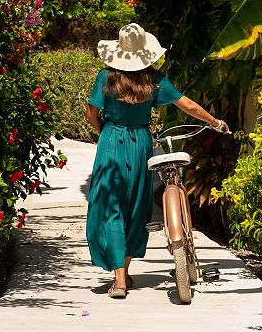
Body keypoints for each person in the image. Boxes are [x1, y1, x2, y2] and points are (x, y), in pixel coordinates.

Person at [85, 23, 229, 299]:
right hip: (141, 144)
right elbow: (186, 104)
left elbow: (92, 114)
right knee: (136, 207)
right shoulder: (154, 79)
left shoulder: (106, 77)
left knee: (110, 207)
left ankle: (119, 280)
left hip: (110, 143)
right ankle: (123, 272)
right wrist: (214, 121)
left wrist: (105, 132)